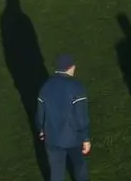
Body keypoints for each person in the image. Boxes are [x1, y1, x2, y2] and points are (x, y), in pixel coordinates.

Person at [36, 53, 91, 181]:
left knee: (56, 173)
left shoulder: (45, 87)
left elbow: (40, 114)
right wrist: (85, 138)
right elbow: (81, 117)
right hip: (74, 138)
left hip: (52, 138)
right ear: (70, 67)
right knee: (80, 167)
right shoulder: (76, 87)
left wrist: (41, 129)